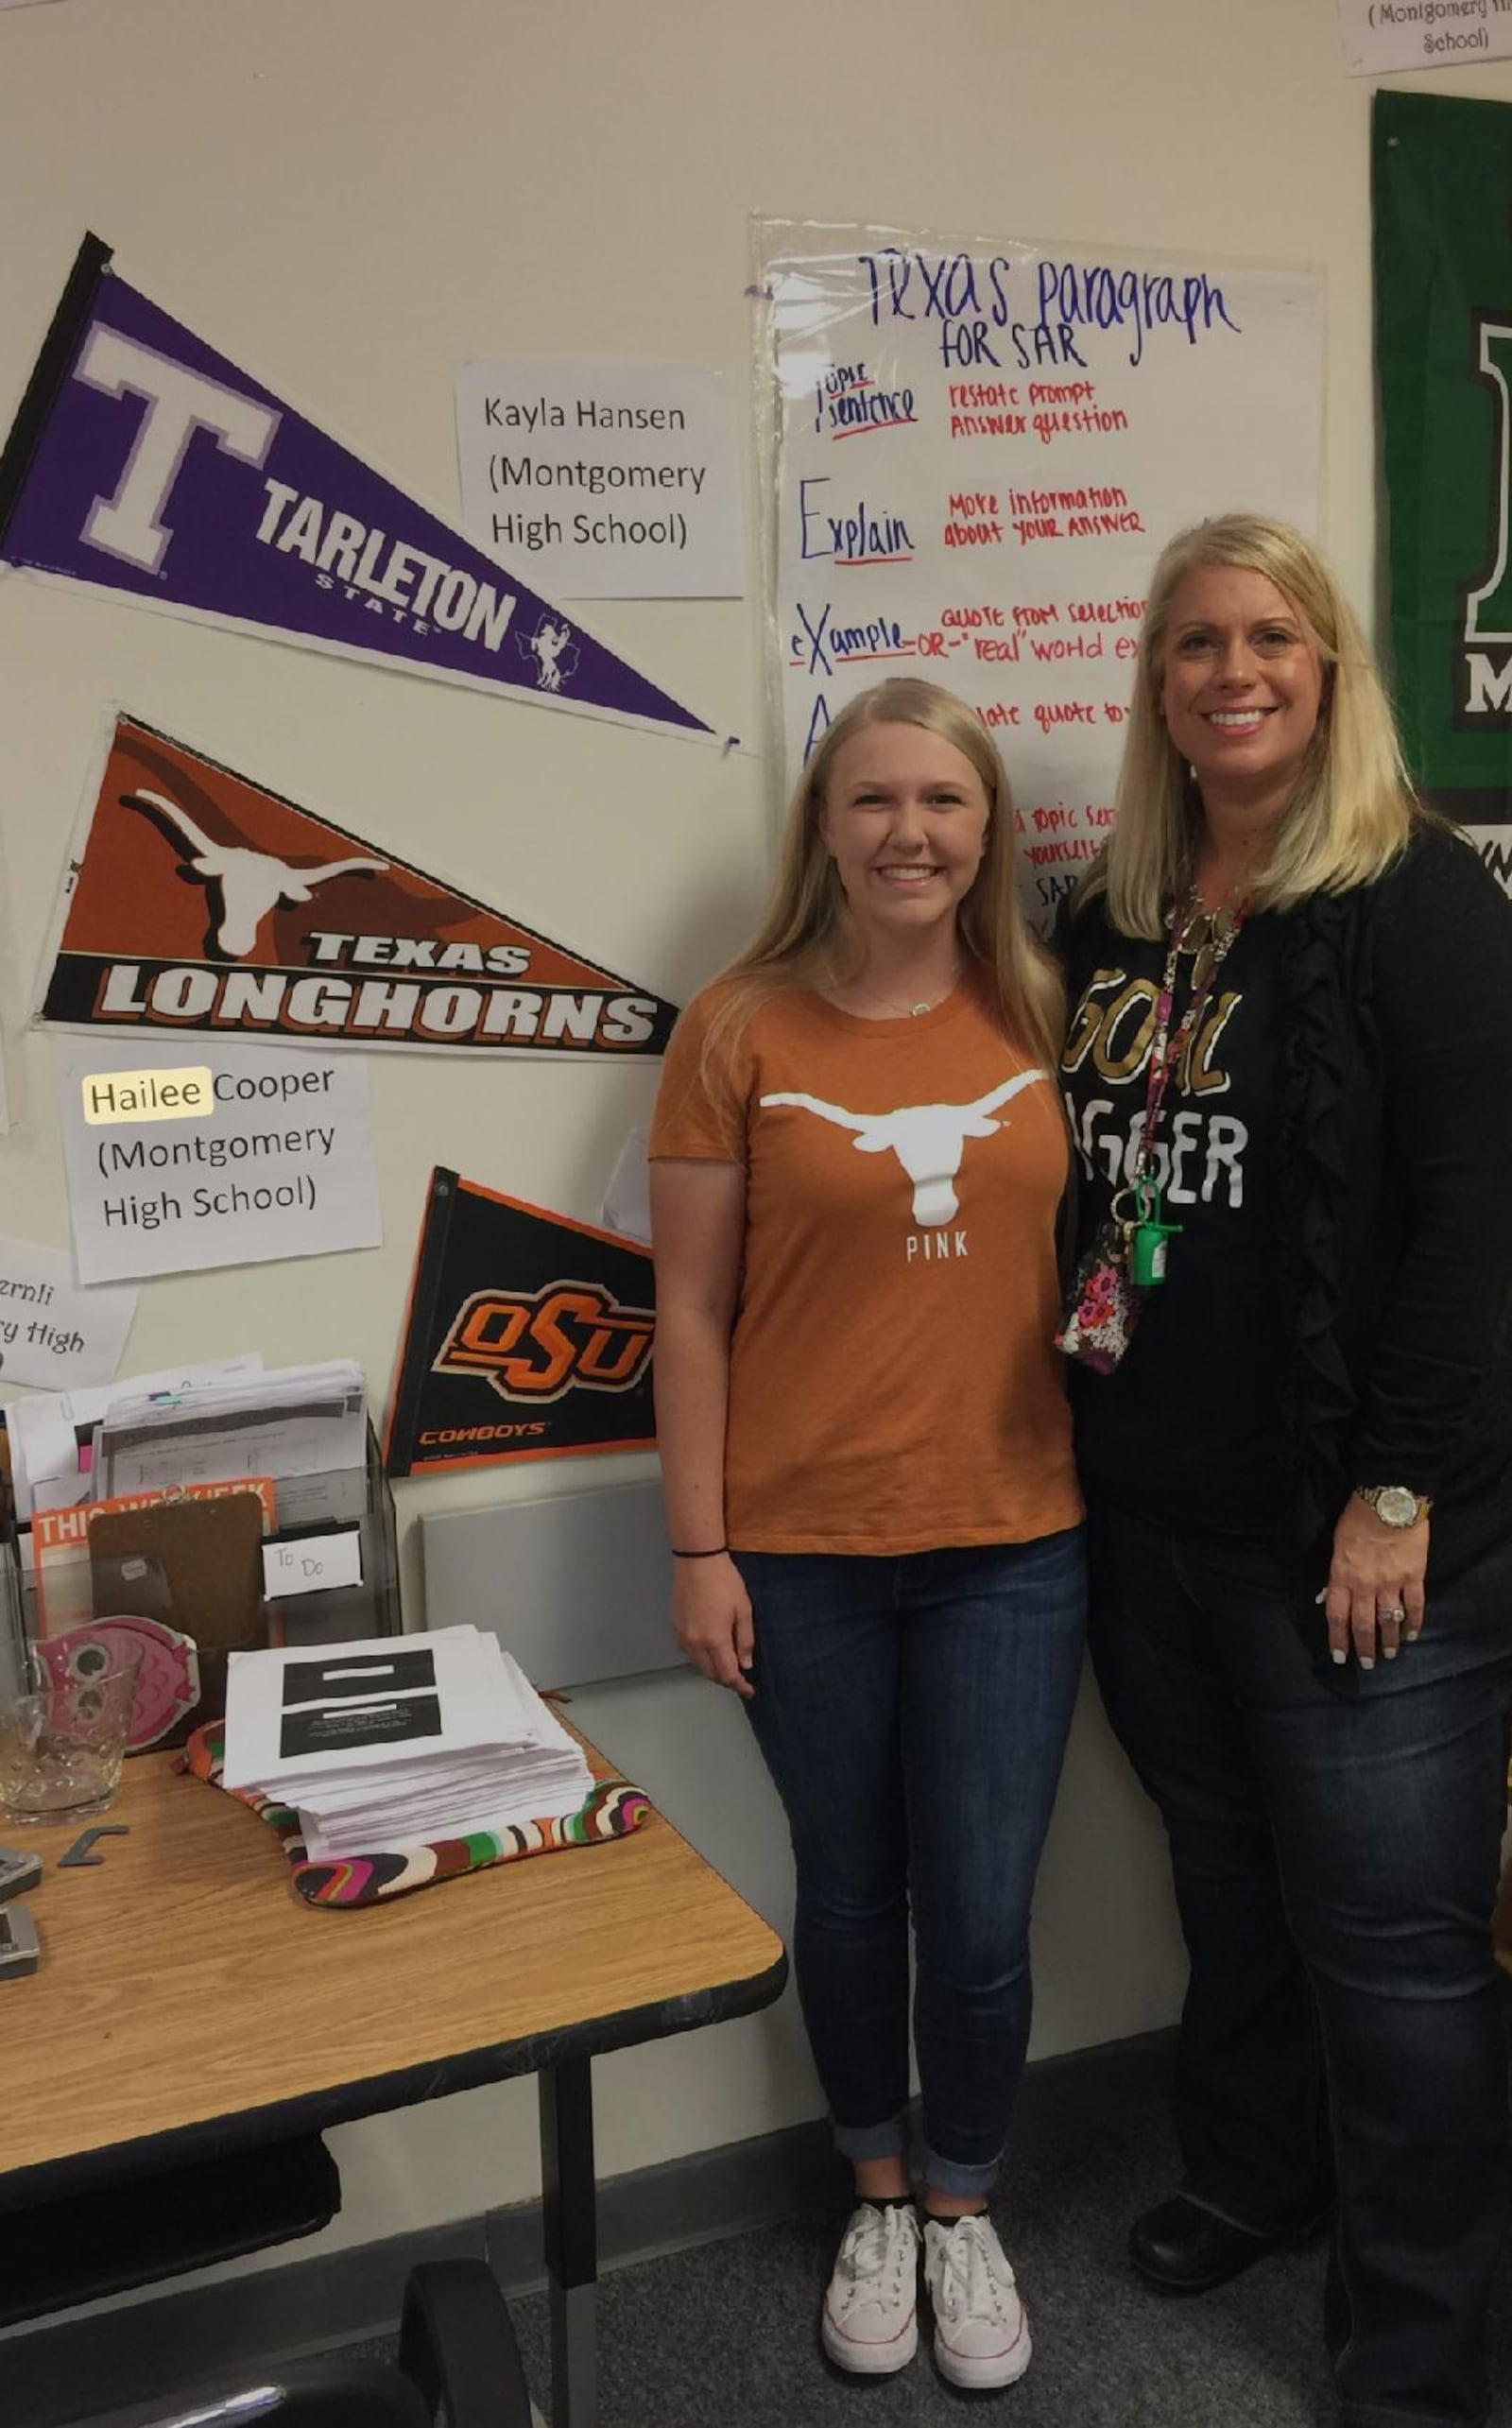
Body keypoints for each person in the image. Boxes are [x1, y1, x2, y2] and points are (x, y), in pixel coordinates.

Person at [1057, 510, 1512, 2428]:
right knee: (1233, 1891)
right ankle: (1259, 2175)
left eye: (1267, 639)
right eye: (1191, 645)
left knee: (1390, 1953)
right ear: (1153, 684)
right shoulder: (1116, 908)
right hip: (1148, 1512)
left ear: (1325, 670)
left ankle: (1420, 2356)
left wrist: (1392, 1489)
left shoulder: (1411, 897)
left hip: (1357, 1533)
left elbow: (1476, 1224)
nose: (1229, 673)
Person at [648, 678, 1085, 2389]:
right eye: (874, 799)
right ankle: (877, 2187)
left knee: (979, 1912)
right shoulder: (738, 1026)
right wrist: (698, 1547)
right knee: (850, 1892)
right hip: (800, 1547)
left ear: (989, 830)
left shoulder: (1048, 1008)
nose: (911, 831)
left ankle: (968, 2205)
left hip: (1017, 1539)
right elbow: (685, 1309)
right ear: (823, 827)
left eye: (945, 802)